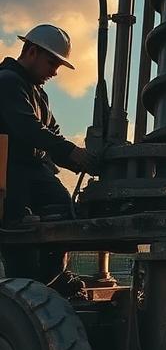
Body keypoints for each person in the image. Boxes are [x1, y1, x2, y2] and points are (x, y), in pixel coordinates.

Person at [0, 25, 99, 291]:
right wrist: (71, 152)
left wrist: (80, 160)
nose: (55, 72)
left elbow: (51, 133)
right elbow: (29, 129)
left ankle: (49, 281)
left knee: (64, 213)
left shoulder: (37, 92)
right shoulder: (7, 82)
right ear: (31, 51)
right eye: (52, 62)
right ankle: (28, 290)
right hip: (10, 176)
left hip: (33, 172)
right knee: (19, 234)